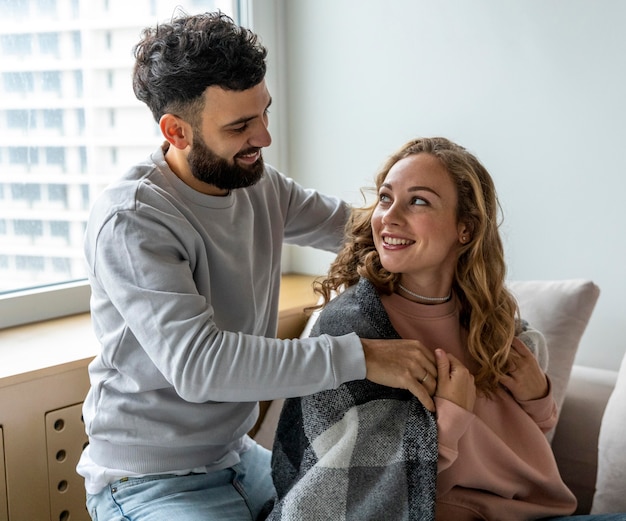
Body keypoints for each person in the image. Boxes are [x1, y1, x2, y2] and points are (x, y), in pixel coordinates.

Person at [77, 11, 439, 521]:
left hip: (238, 458)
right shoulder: (133, 220)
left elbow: (363, 232)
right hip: (150, 484)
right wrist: (364, 356)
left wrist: (436, 227)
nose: (264, 138)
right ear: (176, 131)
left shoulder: (261, 186)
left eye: (264, 113)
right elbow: (200, 365)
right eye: (240, 126)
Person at [267, 137, 626, 520]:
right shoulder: (356, 325)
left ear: (465, 230)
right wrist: (450, 417)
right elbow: (354, 488)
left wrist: (538, 395)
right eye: (386, 198)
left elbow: (527, 426)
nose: (389, 215)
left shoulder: (490, 315)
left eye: (418, 201)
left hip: (539, 513)